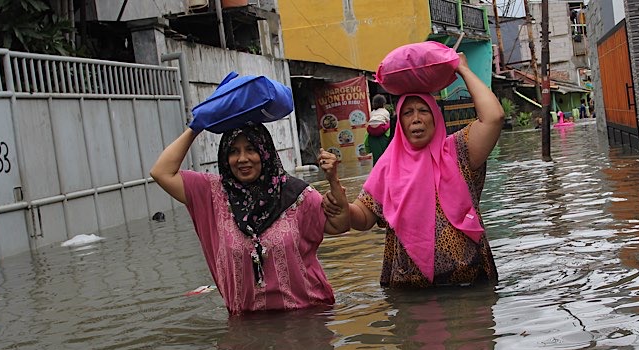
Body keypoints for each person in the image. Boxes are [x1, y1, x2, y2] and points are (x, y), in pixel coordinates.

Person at [326, 53, 504, 288]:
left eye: (424, 110)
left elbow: (494, 117)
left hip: (470, 286)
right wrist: (342, 205)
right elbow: (364, 217)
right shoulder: (388, 167)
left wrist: (463, 70)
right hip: (411, 290)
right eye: (408, 113)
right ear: (399, 122)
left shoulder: (458, 150)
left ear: (436, 117)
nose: (416, 119)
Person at [150, 123, 349, 314]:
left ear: (265, 152)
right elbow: (161, 172)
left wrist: (333, 180)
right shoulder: (213, 194)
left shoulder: (297, 195)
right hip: (247, 325)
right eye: (233, 151)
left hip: (306, 318)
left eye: (251, 149)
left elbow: (340, 224)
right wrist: (195, 128)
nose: (242, 158)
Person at [365, 93, 392, 164]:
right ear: (383, 103)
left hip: (371, 134)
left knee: (376, 160)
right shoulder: (385, 112)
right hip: (382, 134)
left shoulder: (372, 113)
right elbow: (388, 121)